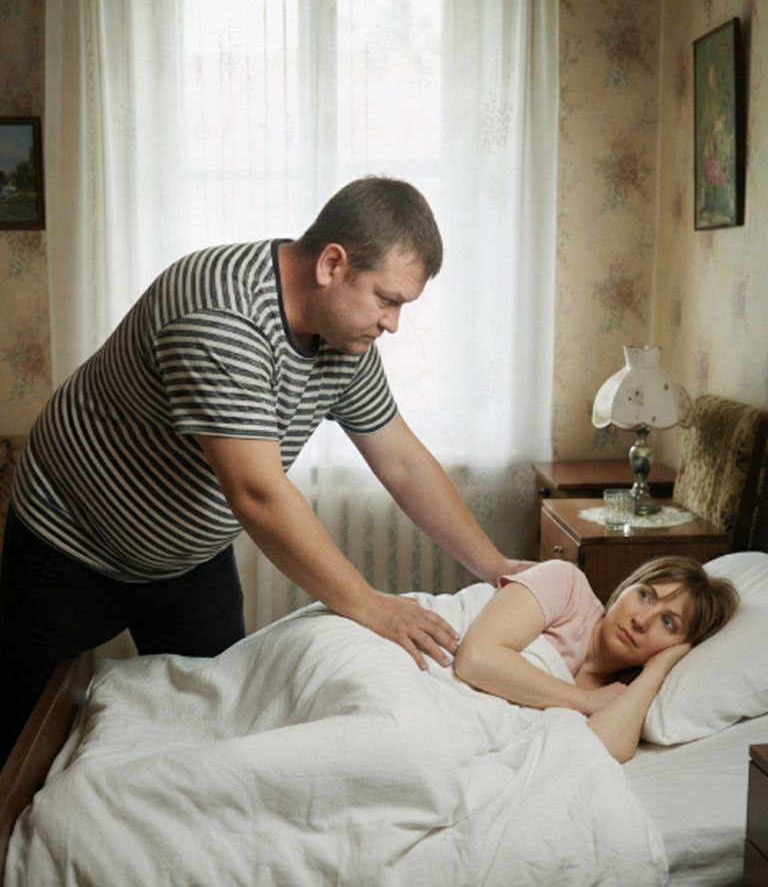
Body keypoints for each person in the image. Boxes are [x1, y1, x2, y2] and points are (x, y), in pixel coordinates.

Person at [0, 176, 532, 766]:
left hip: (189, 558)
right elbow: (257, 494)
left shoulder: (344, 338)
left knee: (217, 718)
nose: (392, 324)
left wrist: (495, 565)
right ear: (332, 264)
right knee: (19, 730)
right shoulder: (220, 312)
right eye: (388, 299)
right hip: (72, 543)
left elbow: (403, 462)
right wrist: (370, 605)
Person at [454, 555, 739, 762]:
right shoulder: (568, 586)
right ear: (626, 587)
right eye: (645, 596)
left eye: (668, 623)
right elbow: (476, 659)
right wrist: (585, 700)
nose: (641, 620)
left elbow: (599, 752)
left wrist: (658, 669)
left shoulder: (621, 695)